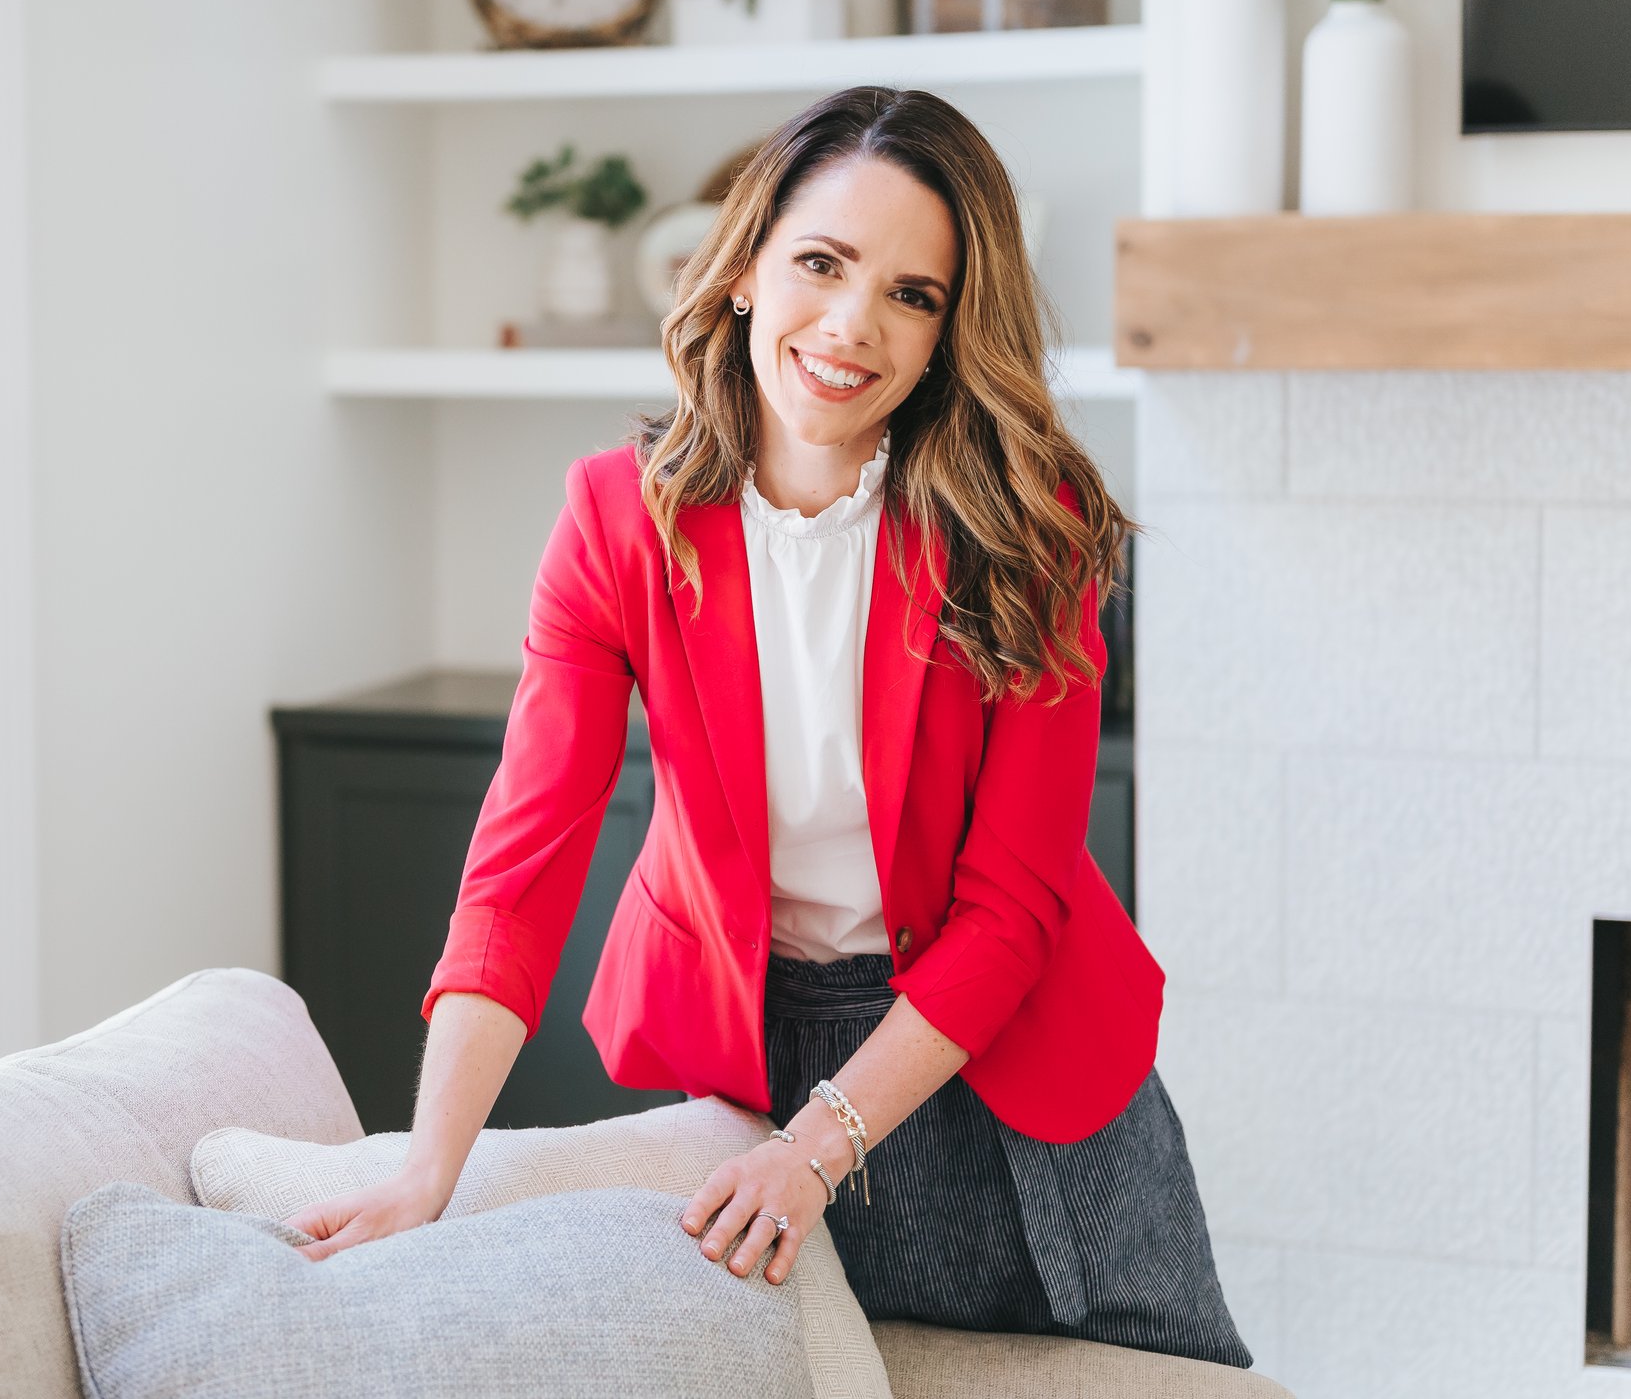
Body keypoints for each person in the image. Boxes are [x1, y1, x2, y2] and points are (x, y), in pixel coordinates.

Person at [288, 86, 1249, 1368]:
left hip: (1006, 1062)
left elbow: (1014, 907)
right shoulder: (614, 523)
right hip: (754, 1053)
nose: (852, 325)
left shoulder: (1030, 522)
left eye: (913, 294)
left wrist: (824, 1143)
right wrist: (427, 1167)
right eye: (821, 262)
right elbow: (522, 866)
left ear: (951, 331)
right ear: (743, 269)